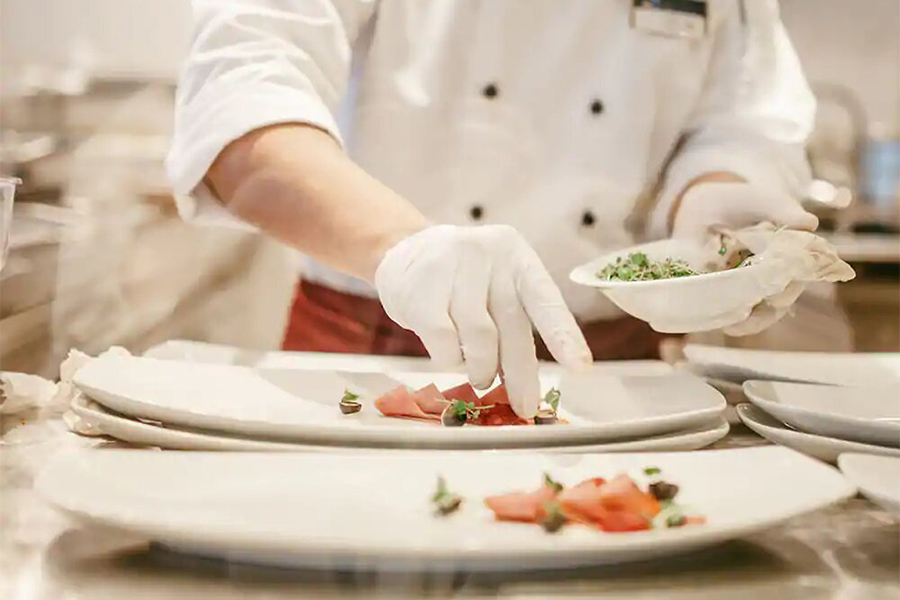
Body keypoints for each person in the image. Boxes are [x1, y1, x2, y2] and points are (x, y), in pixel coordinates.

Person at [167, 0, 819, 418]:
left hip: (617, 369)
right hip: (371, 350)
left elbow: (739, 116)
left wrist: (714, 196)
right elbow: (241, 104)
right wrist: (405, 250)